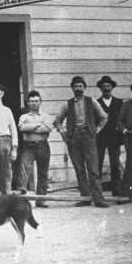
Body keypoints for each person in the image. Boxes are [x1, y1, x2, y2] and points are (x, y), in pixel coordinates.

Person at [55, 76, 109, 208]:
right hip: (74, 138)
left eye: (80, 86)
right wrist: (64, 134)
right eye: (75, 86)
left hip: (88, 137)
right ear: (72, 88)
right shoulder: (67, 104)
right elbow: (57, 121)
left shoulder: (92, 102)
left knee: (93, 169)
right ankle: (85, 198)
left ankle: (98, 199)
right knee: (79, 169)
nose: (78, 88)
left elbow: (104, 117)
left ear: (84, 87)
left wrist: (96, 130)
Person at [17, 90, 55, 207]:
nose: (34, 103)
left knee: (43, 173)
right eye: (31, 101)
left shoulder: (46, 116)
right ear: (28, 103)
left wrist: (30, 128)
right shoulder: (24, 116)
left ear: (40, 102)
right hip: (28, 146)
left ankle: (41, 199)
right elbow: (22, 128)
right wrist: (39, 124)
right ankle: (22, 198)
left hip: (43, 146)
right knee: (24, 170)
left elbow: (47, 128)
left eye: (36, 101)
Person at [95, 75, 125, 197]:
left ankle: (116, 190)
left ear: (112, 88)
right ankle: (97, 191)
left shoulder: (119, 102)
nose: (106, 88)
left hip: (114, 137)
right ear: (100, 89)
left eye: (108, 86)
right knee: (98, 164)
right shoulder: (96, 103)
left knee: (115, 164)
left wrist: (121, 135)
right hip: (100, 137)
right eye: (104, 86)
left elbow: (122, 120)